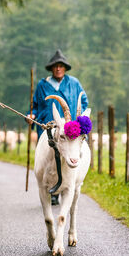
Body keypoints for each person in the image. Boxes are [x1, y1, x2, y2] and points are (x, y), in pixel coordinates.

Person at [26, 49, 88, 205]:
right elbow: (35, 105)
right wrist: (31, 115)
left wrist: (81, 121)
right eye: (55, 66)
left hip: (68, 132)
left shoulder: (74, 83)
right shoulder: (42, 85)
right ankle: (53, 189)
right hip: (48, 131)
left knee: (67, 159)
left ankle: (64, 188)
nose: (58, 69)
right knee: (50, 161)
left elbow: (84, 103)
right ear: (51, 68)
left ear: (65, 68)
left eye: (61, 66)